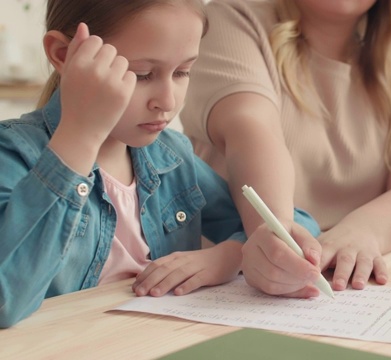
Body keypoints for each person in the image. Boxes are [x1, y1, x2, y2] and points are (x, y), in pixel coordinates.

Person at [0, 0, 320, 328]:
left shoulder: (170, 157)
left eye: (182, 72)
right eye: (142, 75)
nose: (167, 101)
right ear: (64, 55)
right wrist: (80, 135)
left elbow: (294, 224)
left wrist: (229, 256)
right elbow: (6, 301)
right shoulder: (14, 154)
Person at [180, 0, 391, 298]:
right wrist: (277, 236)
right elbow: (251, 131)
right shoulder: (233, 19)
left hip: (339, 286)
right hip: (227, 287)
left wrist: (363, 231)